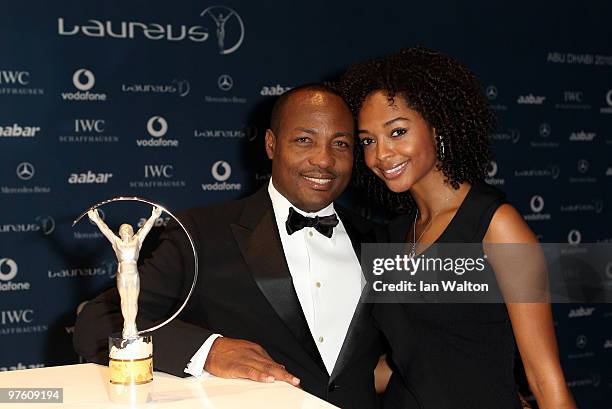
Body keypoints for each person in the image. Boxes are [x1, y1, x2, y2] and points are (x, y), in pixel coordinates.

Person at [74, 84, 384, 409]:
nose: (324, 159)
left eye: (341, 144)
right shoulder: (202, 233)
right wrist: (208, 350)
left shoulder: (382, 239)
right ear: (271, 144)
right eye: (304, 140)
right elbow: (98, 320)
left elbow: (422, 343)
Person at [339, 47, 576, 409]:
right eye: (368, 140)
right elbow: (409, 362)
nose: (381, 155)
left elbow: (545, 380)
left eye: (397, 132)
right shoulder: (398, 233)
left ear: (437, 128)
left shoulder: (496, 226)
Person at [87, 206, 162, 339]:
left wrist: (154, 216)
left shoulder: (137, 241)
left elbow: (145, 229)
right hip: (122, 274)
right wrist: (97, 219)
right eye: (123, 229)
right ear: (120, 233)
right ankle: (126, 326)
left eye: (128, 229)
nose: (126, 231)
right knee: (124, 300)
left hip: (133, 274)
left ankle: (132, 326)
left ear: (133, 231)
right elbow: (106, 231)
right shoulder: (117, 243)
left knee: (133, 300)